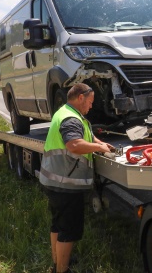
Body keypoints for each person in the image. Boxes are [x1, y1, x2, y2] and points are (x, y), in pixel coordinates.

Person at [39, 83, 114, 273]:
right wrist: (99, 148)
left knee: (58, 223)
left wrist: (99, 142)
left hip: (54, 181)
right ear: (80, 98)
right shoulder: (71, 119)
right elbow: (74, 144)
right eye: (89, 102)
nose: (90, 107)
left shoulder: (64, 112)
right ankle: (62, 270)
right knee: (69, 230)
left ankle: (57, 263)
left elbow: (82, 136)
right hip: (66, 184)